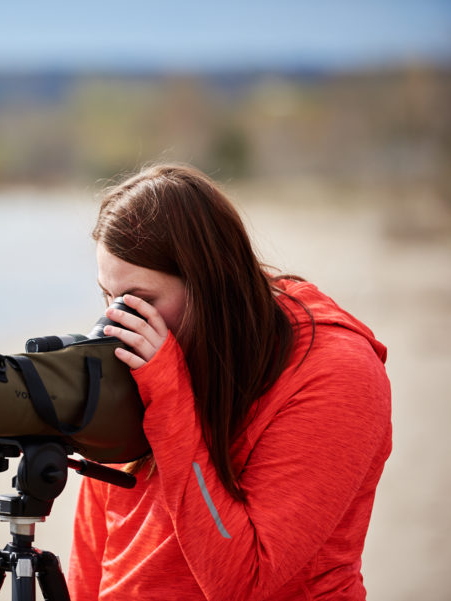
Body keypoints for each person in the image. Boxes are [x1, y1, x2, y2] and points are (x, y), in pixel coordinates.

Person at [67, 164, 392, 600]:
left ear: (209, 284)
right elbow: (95, 548)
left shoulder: (336, 374)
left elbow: (245, 582)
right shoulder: (140, 352)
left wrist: (169, 396)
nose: (116, 321)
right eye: (108, 297)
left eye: (139, 301)